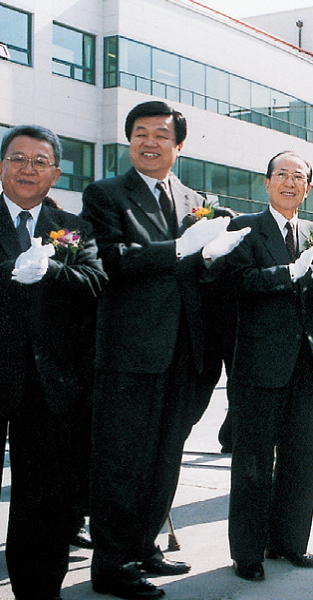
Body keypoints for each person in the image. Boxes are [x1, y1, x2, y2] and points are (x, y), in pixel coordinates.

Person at [81, 101, 248, 599]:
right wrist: (177, 250)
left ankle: (144, 545)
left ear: (179, 145)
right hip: (131, 354)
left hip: (188, 355)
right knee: (123, 460)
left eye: (160, 134)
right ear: (128, 140)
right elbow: (107, 258)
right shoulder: (106, 195)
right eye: (139, 133)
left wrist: (214, 256)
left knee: (164, 457)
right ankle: (111, 565)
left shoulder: (195, 200)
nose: (148, 142)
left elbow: (203, 276)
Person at [0, 125, 107, 600]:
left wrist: (52, 270)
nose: (28, 168)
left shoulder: (73, 228)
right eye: (18, 158)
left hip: (49, 385)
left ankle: (39, 592)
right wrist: (10, 271)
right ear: (2, 165)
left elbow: (94, 284)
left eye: (39, 161)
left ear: (55, 173)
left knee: (41, 502)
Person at [224, 151, 313, 582]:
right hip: (259, 364)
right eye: (282, 175)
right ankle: (248, 553)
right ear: (267, 182)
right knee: (253, 462)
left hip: (308, 365)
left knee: (302, 460)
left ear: (308, 188)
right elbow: (238, 281)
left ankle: (290, 543)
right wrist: (290, 273)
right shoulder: (245, 228)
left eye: (299, 177)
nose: (290, 183)